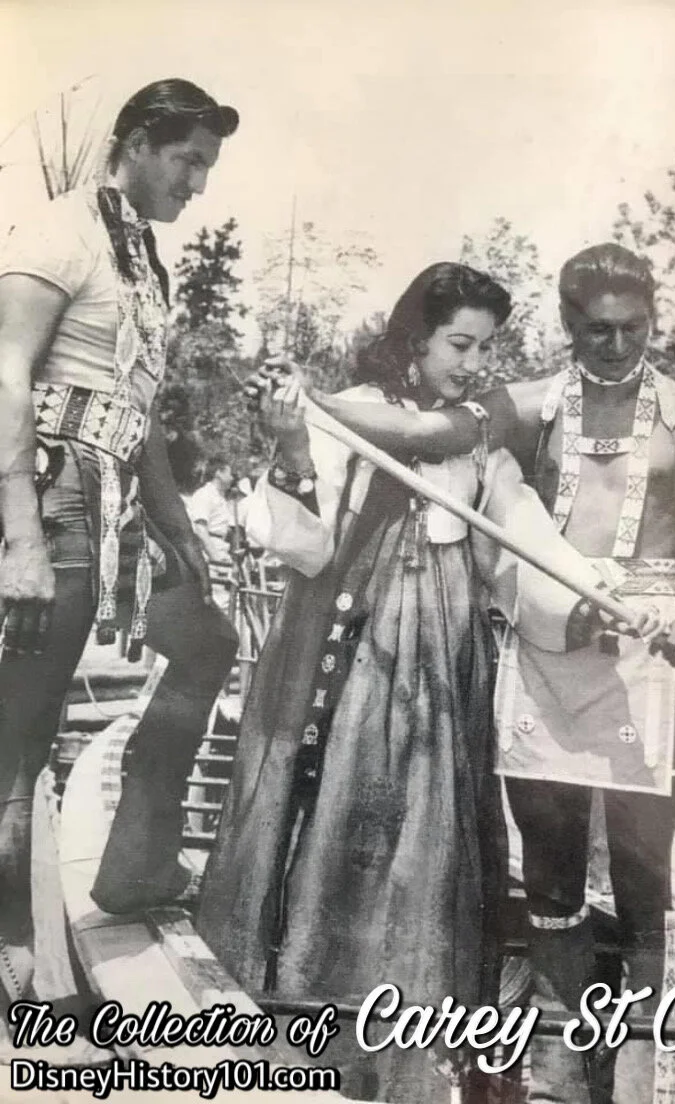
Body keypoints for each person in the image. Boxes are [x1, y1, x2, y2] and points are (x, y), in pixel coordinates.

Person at [310, 243, 675, 1103]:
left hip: (649, 657)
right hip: (545, 649)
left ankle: (644, 1079)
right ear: (567, 325)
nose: (615, 345)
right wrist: (315, 405)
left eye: (632, 328)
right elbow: (429, 434)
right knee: (548, 875)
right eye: (596, 331)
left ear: (654, 320)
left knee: (644, 881)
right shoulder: (522, 406)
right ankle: (560, 1071)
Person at [198, 263, 526, 1103]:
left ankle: (417, 1032)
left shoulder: (472, 430)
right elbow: (305, 547)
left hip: (446, 648)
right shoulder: (348, 409)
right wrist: (291, 449)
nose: (474, 363)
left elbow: (499, 549)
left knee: (430, 826)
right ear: (415, 337)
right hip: (357, 640)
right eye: (459, 344)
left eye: (485, 347)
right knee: (346, 808)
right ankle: (319, 1019)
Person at [0, 78, 240, 1013]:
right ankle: (19, 965)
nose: (197, 184)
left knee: (208, 641)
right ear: (136, 142)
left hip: (121, 503)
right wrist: (21, 538)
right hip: (53, 497)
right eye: (187, 161)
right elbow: (6, 376)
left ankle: (136, 861)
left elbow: (138, 417)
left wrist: (180, 532)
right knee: (21, 740)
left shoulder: (143, 257)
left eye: (206, 167)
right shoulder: (58, 230)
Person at [187, 454, 236, 565]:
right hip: (209, 553)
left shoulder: (220, 498)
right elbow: (200, 529)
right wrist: (215, 556)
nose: (232, 478)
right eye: (229, 474)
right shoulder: (205, 494)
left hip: (222, 549)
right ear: (219, 473)